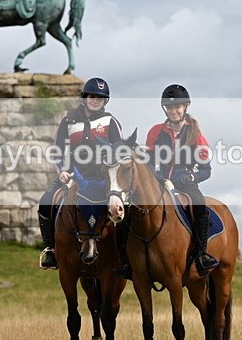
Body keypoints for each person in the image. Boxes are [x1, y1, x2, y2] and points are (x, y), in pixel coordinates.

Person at [115, 84, 218, 279]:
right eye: (170, 108)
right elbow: (150, 160)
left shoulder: (196, 135)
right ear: (165, 110)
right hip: (158, 181)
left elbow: (206, 170)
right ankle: (124, 259)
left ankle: (201, 254)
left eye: (177, 107)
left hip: (184, 182)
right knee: (128, 209)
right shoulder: (155, 131)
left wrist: (190, 177)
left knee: (199, 205)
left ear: (185, 107)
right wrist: (156, 174)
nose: (174, 111)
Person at [38, 77, 123, 269]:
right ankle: (51, 250)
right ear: (84, 97)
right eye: (92, 96)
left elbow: (120, 150)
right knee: (46, 202)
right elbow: (57, 151)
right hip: (73, 176)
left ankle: (123, 254)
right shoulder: (68, 121)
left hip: (103, 179)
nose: (95, 100)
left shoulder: (110, 121)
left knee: (123, 206)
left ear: (105, 101)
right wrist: (61, 172)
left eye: (100, 98)